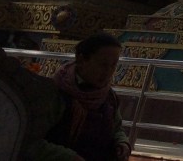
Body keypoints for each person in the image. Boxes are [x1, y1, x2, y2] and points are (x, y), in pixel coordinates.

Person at [26, 32, 131, 161]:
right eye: (103, 64)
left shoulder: (109, 97)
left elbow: (116, 128)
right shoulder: (55, 94)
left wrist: (122, 142)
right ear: (82, 60)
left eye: (113, 65)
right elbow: (31, 142)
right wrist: (68, 157)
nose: (108, 71)